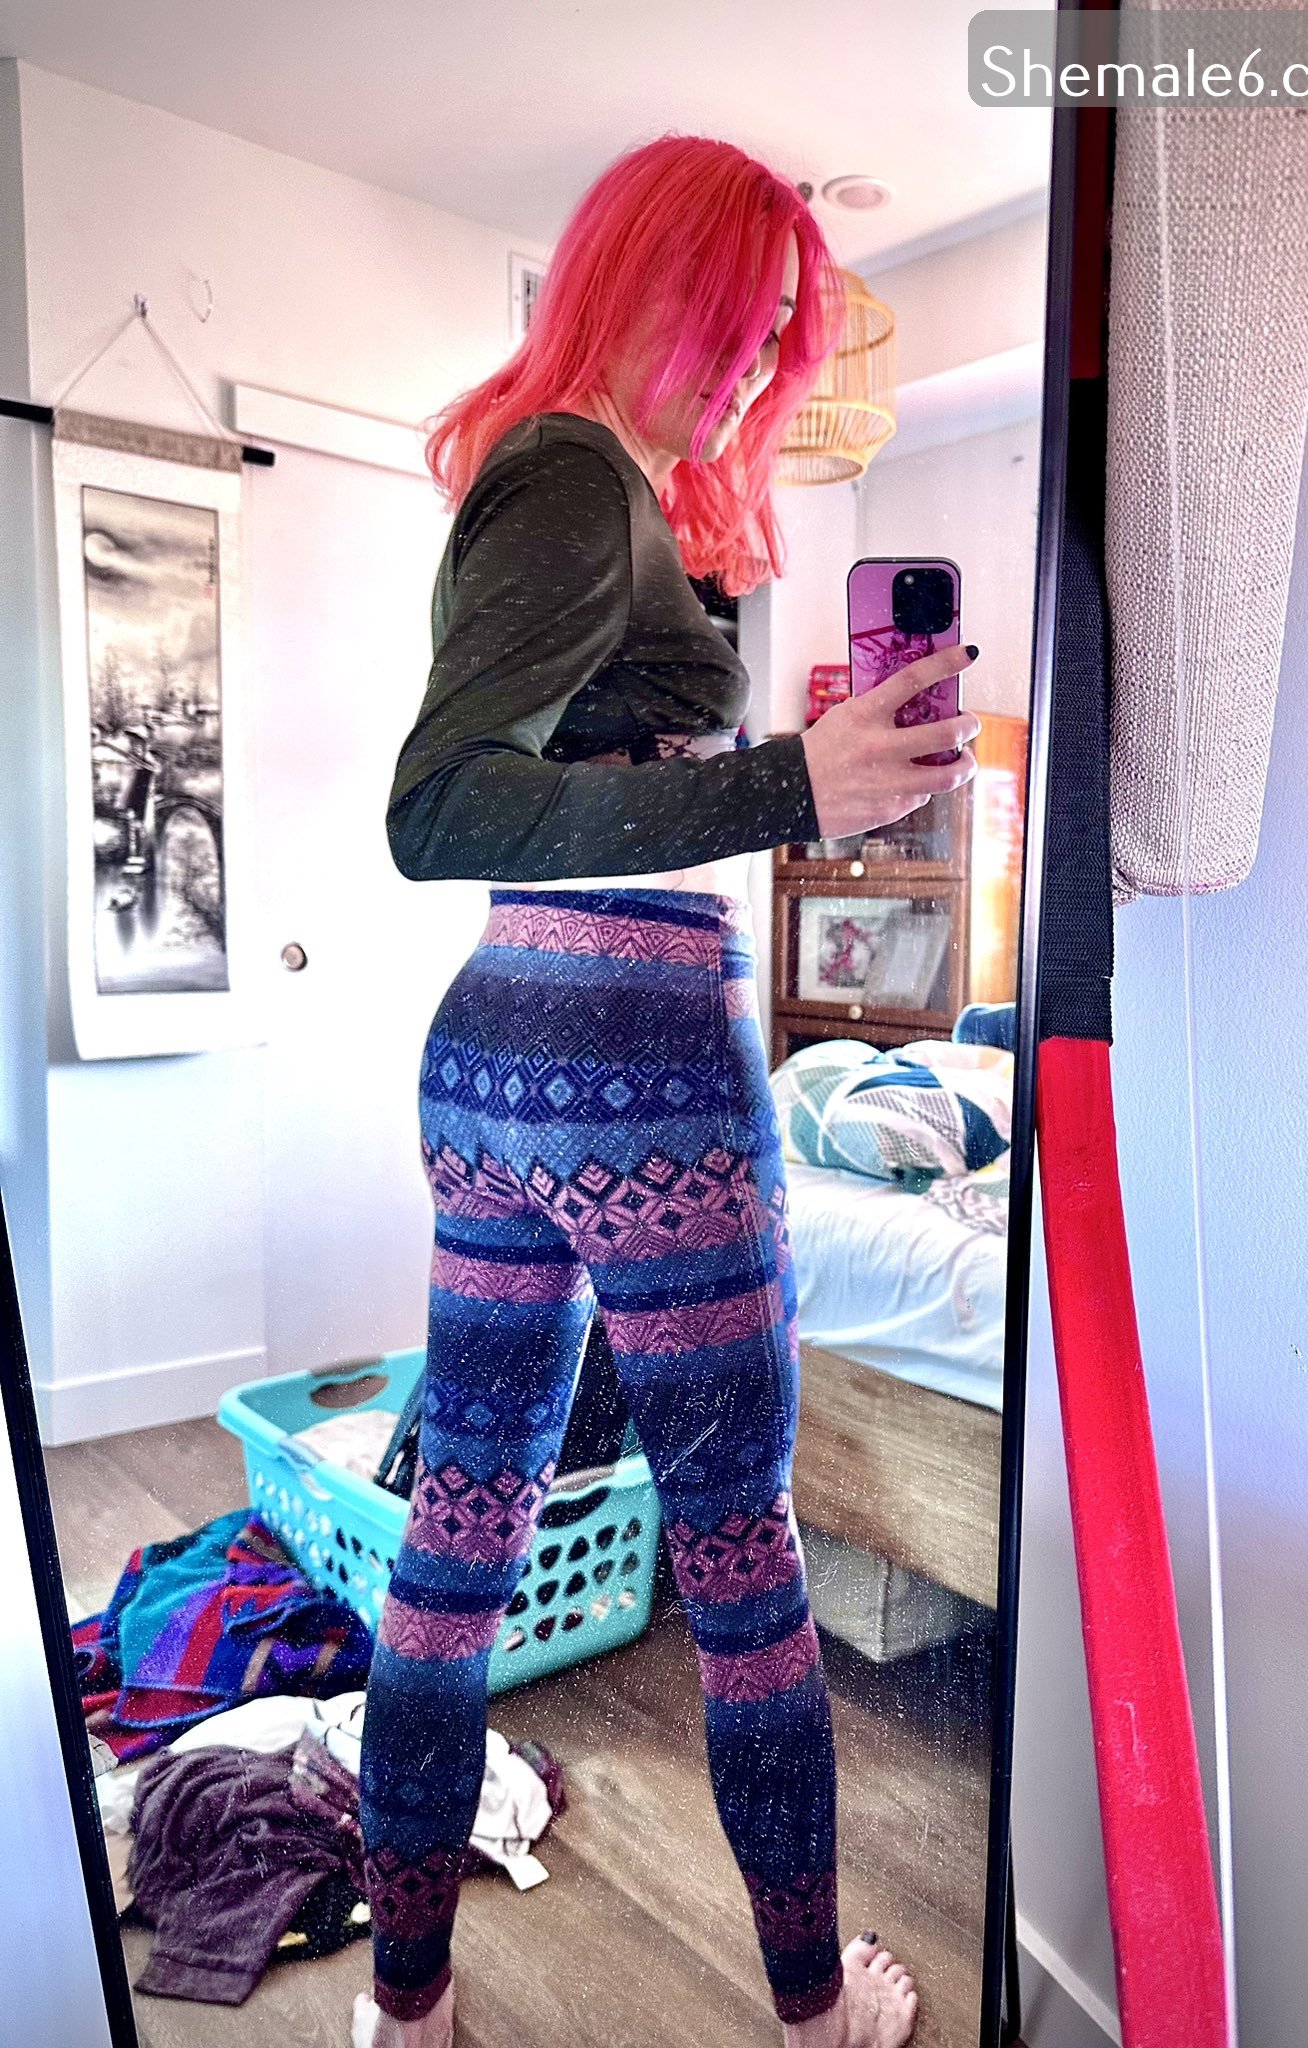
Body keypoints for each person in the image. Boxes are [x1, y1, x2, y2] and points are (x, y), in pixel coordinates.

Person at [353, 133, 979, 2048]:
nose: (759, 361)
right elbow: (438, 808)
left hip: (501, 1059)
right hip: (635, 1068)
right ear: (648, 277)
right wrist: (788, 786)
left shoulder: (579, 481)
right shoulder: (574, 472)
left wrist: (802, 764)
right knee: (736, 1548)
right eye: (743, 315)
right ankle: (813, 2009)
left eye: (786, 333)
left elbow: (554, 780)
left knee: (462, 1533)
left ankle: (406, 2006)